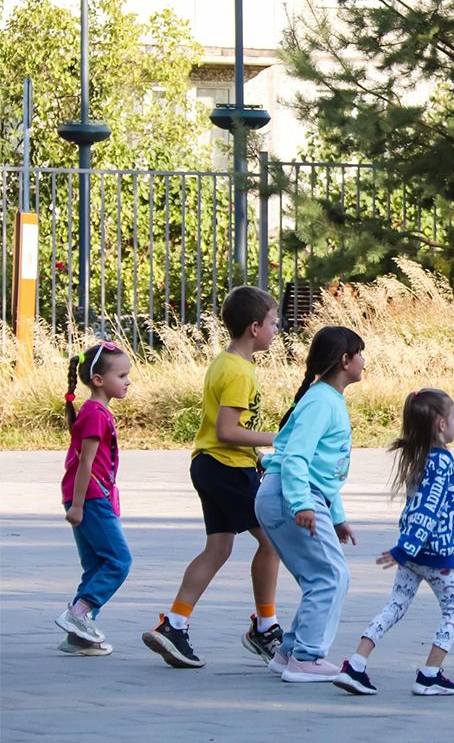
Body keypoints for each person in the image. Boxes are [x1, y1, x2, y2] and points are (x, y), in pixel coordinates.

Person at [333, 389, 454, 697]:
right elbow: (427, 509)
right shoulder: (442, 462)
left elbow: (441, 504)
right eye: (453, 418)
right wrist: (405, 549)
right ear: (441, 424)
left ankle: (356, 665)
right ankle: (429, 675)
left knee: (395, 605)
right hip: (433, 554)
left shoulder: (422, 458)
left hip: (415, 552)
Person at [143, 286, 281, 668]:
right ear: (254, 327)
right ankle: (265, 628)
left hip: (210, 465)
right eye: (273, 322)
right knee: (273, 542)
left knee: (218, 548)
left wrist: (257, 453)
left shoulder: (226, 363)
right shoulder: (239, 373)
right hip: (225, 466)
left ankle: (174, 623)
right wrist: (279, 439)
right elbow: (227, 430)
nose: (276, 330)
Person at [258, 326, 363, 683]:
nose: (364, 361)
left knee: (322, 576)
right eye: (359, 353)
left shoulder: (326, 398)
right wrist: (301, 504)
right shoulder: (321, 401)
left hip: (293, 495)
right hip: (289, 495)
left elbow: (322, 470)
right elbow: (296, 459)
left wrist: (337, 517)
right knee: (332, 576)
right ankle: (307, 657)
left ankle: (289, 652)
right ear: (345, 360)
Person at [55, 341, 133, 657]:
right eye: (122, 375)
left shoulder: (95, 411)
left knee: (96, 566)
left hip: (92, 496)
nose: (128, 381)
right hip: (88, 497)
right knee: (119, 560)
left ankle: (78, 638)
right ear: (99, 380)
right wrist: (77, 505)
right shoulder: (95, 414)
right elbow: (84, 462)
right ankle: (78, 614)